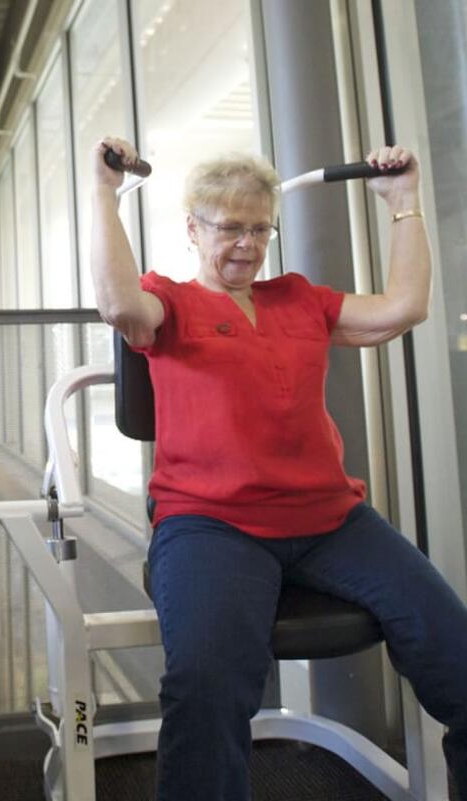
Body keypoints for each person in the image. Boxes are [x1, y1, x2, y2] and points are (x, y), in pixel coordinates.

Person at [89, 137, 467, 800]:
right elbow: (120, 307)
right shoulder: (168, 301)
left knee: (455, 651)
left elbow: (404, 308)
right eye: (231, 227)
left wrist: (404, 202)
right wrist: (104, 194)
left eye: (259, 228)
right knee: (206, 686)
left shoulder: (299, 298)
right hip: (210, 524)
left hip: (331, 520)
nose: (246, 243)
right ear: (193, 229)